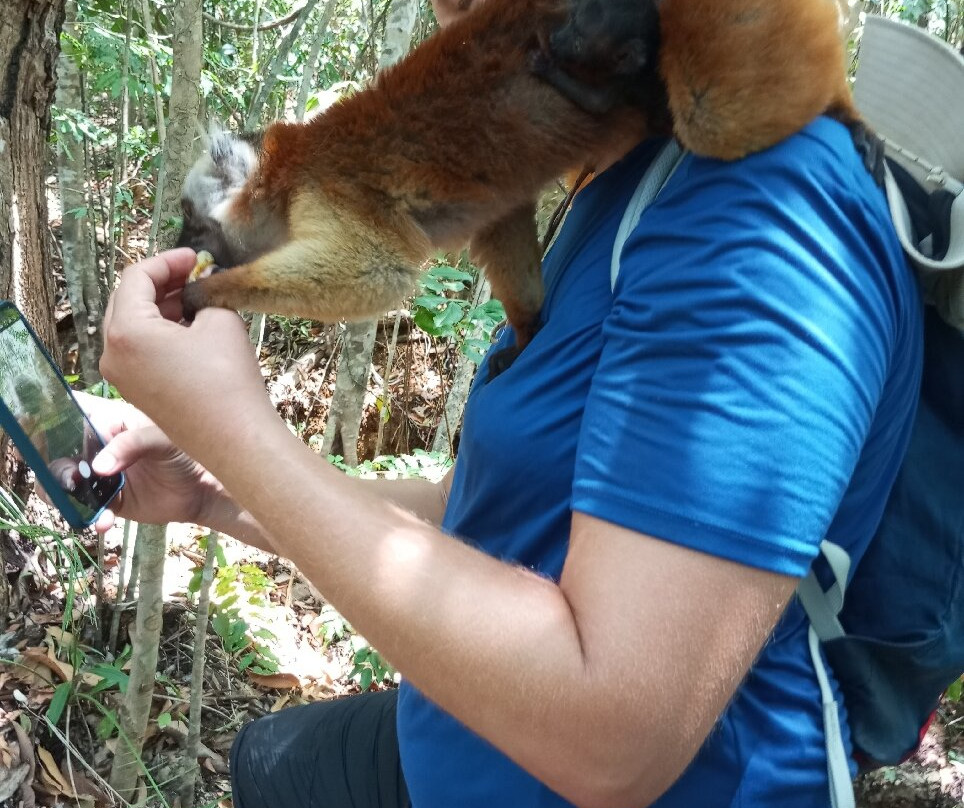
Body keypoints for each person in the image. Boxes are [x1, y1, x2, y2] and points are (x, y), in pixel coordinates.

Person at [80, 7, 923, 808]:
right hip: (463, 735)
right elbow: (489, 507)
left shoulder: (757, 217)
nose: (458, 25)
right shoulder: (607, 185)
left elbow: (615, 740)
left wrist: (234, 412)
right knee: (262, 760)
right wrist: (213, 481)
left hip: (643, 774)